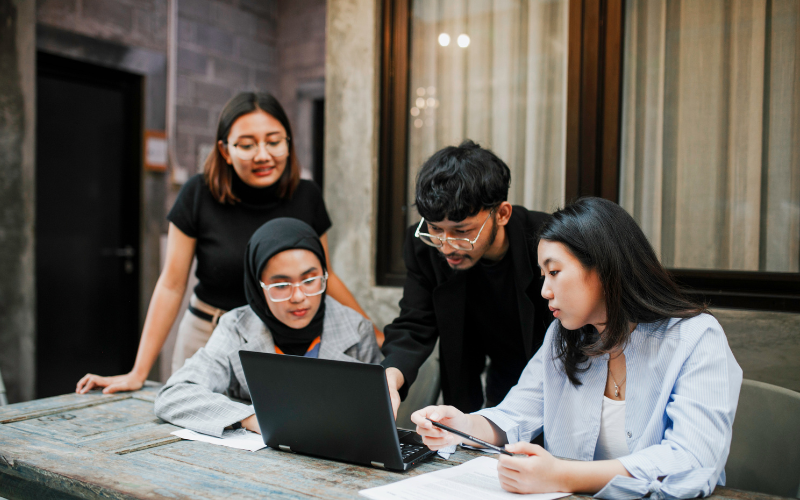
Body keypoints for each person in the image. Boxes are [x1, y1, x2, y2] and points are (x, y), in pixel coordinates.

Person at [411, 197, 742, 498]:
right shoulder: (562, 336)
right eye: (543, 275)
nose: (545, 291)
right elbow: (515, 414)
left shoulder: (696, 337)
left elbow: (692, 461)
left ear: (604, 267)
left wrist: (563, 476)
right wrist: (460, 426)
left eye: (554, 272)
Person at [77, 92, 379, 395]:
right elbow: (171, 283)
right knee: (194, 421)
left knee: (269, 432)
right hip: (208, 333)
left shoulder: (306, 195)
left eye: (274, 142)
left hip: (275, 340)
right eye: (247, 145)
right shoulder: (198, 193)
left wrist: (370, 331)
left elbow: (324, 273)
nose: (262, 155)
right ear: (224, 150)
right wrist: (138, 372)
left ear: (288, 142)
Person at [154, 218, 381, 437]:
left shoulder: (356, 330)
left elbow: (376, 414)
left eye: (310, 280)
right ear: (257, 285)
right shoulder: (236, 328)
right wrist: (253, 419)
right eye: (281, 285)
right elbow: (174, 394)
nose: (299, 297)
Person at [381, 140, 553, 416]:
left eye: (462, 232)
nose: (446, 246)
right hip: (480, 377)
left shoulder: (547, 242)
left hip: (551, 375)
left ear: (503, 214)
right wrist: (390, 377)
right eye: (435, 228)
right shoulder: (423, 248)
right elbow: (414, 324)